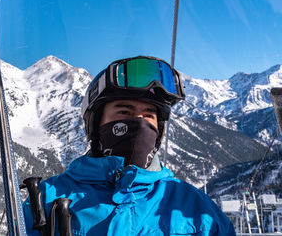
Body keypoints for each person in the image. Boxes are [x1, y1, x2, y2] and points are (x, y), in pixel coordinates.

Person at [23, 56, 236, 235]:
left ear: (159, 129)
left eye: (149, 115)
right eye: (124, 112)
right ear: (96, 125)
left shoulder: (192, 205)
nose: (139, 123)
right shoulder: (46, 200)